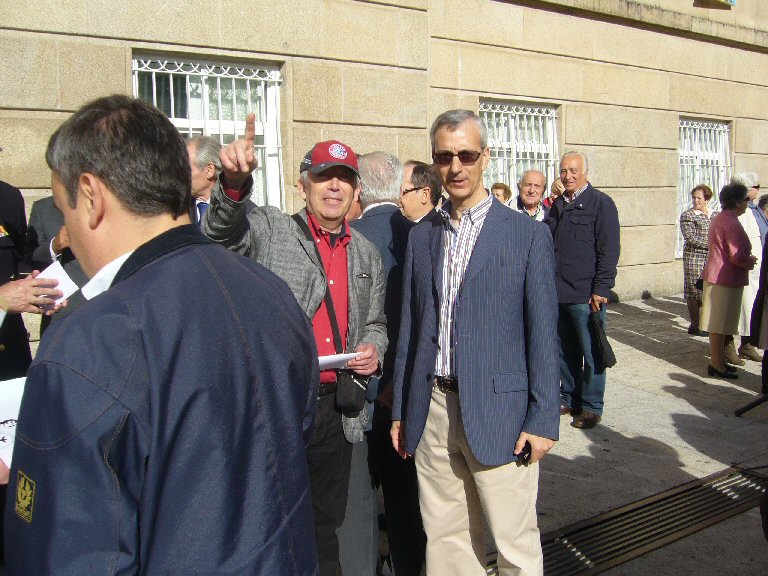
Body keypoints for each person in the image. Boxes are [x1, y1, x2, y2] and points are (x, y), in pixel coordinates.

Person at [4, 95, 319, 575]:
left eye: (64, 209)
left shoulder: (90, 340)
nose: (68, 227)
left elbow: (63, 552)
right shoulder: (271, 291)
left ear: (90, 196)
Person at [202, 119, 387, 576]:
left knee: (331, 527)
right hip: (280, 408)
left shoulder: (366, 253)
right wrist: (233, 185)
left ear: (356, 191)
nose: (334, 186)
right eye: (324, 176)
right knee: (273, 521)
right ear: (303, 186)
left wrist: (373, 348)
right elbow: (219, 236)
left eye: (344, 178)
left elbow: (375, 323)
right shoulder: (271, 229)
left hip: (339, 410)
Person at [392, 110, 559, 576]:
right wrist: (403, 408)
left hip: (501, 412)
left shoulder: (527, 235)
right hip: (433, 408)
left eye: (466, 155)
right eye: (445, 157)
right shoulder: (422, 236)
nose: (456, 167)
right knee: (448, 543)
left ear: (485, 156)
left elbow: (543, 333)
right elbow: (411, 329)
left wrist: (543, 417)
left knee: (514, 545)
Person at [344, 152, 425, 576]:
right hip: (407, 390)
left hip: (356, 389)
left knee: (357, 501)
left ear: (359, 190)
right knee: (406, 498)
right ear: (398, 189)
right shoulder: (423, 237)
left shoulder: (345, 239)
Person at [547, 151, 620, 429]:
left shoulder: (600, 203)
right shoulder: (558, 204)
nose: (568, 176)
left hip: (587, 295)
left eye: (573, 171)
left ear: (586, 173)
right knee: (564, 351)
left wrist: (602, 287)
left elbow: (609, 249)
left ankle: (591, 406)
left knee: (592, 354)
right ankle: (569, 397)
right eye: (564, 171)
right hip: (559, 292)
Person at [700, 182, 757, 379]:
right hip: (724, 278)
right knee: (719, 324)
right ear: (738, 202)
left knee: (720, 324)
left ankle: (719, 362)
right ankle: (717, 364)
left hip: (719, 276)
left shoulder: (721, 218)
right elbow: (736, 255)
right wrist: (750, 261)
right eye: (746, 199)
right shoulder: (730, 222)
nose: (748, 203)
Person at [23, 196, 88, 333]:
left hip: (116, 315)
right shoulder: (44, 208)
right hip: (62, 319)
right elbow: (28, 261)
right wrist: (55, 245)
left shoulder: (117, 200)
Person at [729, 172, 764, 363]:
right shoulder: (735, 213)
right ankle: (732, 348)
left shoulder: (750, 210)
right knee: (741, 309)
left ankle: (747, 344)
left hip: (755, 270)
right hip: (744, 269)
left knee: (750, 308)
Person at [679, 184, 716, 337]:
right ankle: (695, 324)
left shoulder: (715, 215)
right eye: (694, 198)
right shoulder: (688, 215)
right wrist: (712, 245)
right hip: (694, 257)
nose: (696, 201)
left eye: (699, 198)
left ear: (706, 199)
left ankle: (705, 323)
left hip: (711, 258)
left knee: (708, 291)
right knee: (694, 291)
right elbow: (691, 237)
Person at [186, 135, 221, 225]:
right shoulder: (176, 211)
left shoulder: (242, 213)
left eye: (186, 169)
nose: (180, 176)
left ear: (209, 170)